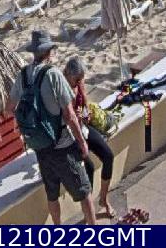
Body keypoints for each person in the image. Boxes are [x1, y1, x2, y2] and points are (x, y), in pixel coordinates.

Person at [9, 30, 96, 224]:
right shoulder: (53, 74)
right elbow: (70, 115)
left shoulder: (23, 75)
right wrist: (82, 142)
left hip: (40, 147)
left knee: (52, 194)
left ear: (34, 52)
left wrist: (31, 123)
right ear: (49, 51)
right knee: (84, 191)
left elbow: (10, 107)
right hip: (62, 145)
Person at [64, 57, 116, 218]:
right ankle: (89, 211)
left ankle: (103, 199)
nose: (79, 81)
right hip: (69, 134)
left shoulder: (78, 83)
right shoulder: (60, 88)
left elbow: (84, 104)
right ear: (67, 74)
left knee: (108, 156)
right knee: (89, 167)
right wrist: (73, 117)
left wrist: (85, 114)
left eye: (81, 78)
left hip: (83, 128)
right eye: (77, 79)